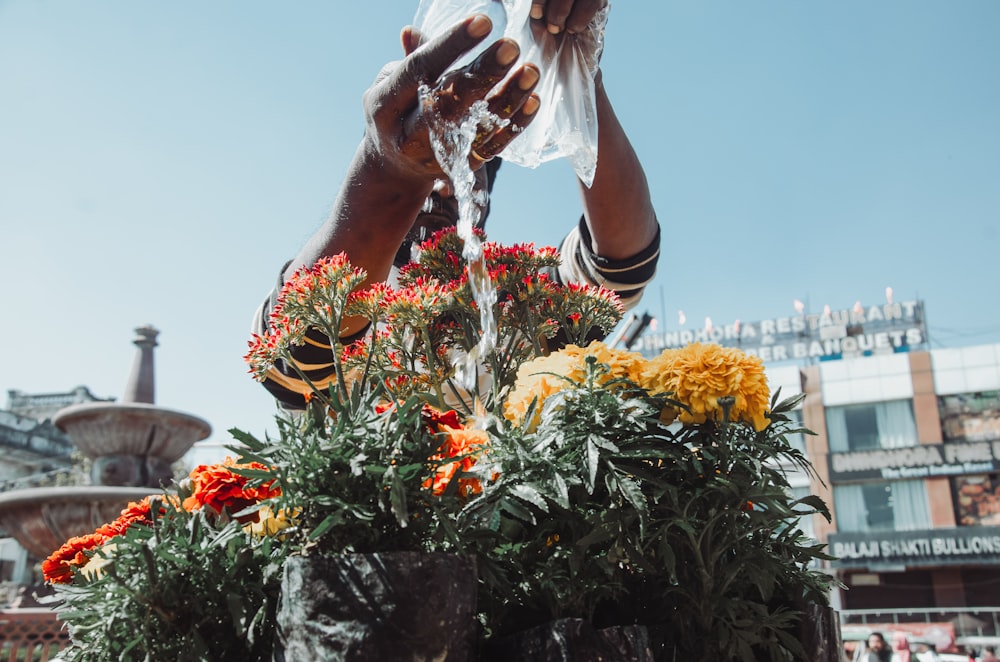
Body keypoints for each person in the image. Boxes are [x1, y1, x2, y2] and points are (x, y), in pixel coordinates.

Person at [254, 1, 660, 409]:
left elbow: (621, 266)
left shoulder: (517, 301)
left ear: (480, 194)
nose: (442, 183)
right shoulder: (347, 293)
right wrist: (389, 173)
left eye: (465, 162)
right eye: (430, 158)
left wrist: (580, 80)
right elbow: (291, 360)